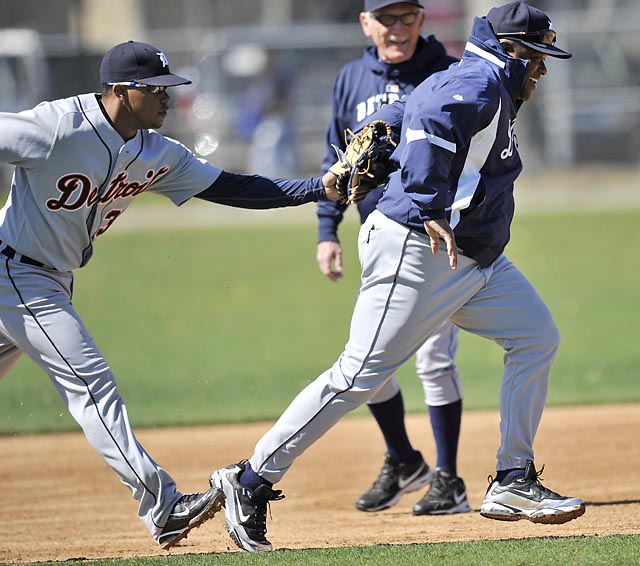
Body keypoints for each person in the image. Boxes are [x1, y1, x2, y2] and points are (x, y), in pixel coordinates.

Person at [211, 1, 586, 552]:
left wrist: (378, 126)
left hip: (472, 259)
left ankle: (512, 480)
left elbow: (411, 106)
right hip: (418, 251)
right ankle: (249, 480)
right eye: (537, 56)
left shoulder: (478, 77)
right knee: (357, 377)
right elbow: (435, 115)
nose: (543, 69)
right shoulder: (479, 83)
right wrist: (429, 199)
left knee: (536, 337)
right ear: (512, 50)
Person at [0, 40, 342, 550]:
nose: (167, 97)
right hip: (16, 275)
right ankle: (163, 508)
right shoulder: (54, 127)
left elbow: (235, 187)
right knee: (92, 384)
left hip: (49, 278)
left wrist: (321, 188)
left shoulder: (156, 151)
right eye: (155, 89)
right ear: (120, 91)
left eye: (169, 87)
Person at [317, 0, 469, 516]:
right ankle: (404, 459)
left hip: (437, 238)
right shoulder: (350, 79)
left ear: (423, 21)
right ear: (367, 24)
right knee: (369, 360)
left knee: (433, 358)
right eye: (386, 18)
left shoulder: (449, 72)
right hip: (376, 239)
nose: (397, 29)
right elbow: (334, 158)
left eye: (407, 17)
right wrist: (326, 230)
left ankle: (449, 480)